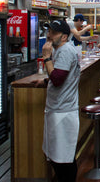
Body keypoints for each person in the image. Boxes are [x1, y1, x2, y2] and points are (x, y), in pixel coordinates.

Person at [32, 20, 80, 181]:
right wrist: (46, 81)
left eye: (53, 32)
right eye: (49, 31)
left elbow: (58, 79)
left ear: (64, 37)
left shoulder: (65, 51)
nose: (48, 35)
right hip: (60, 109)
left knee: (63, 160)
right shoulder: (62, 49)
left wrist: (46, 58)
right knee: (61, 156)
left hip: (63, 111)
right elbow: (60, 76)